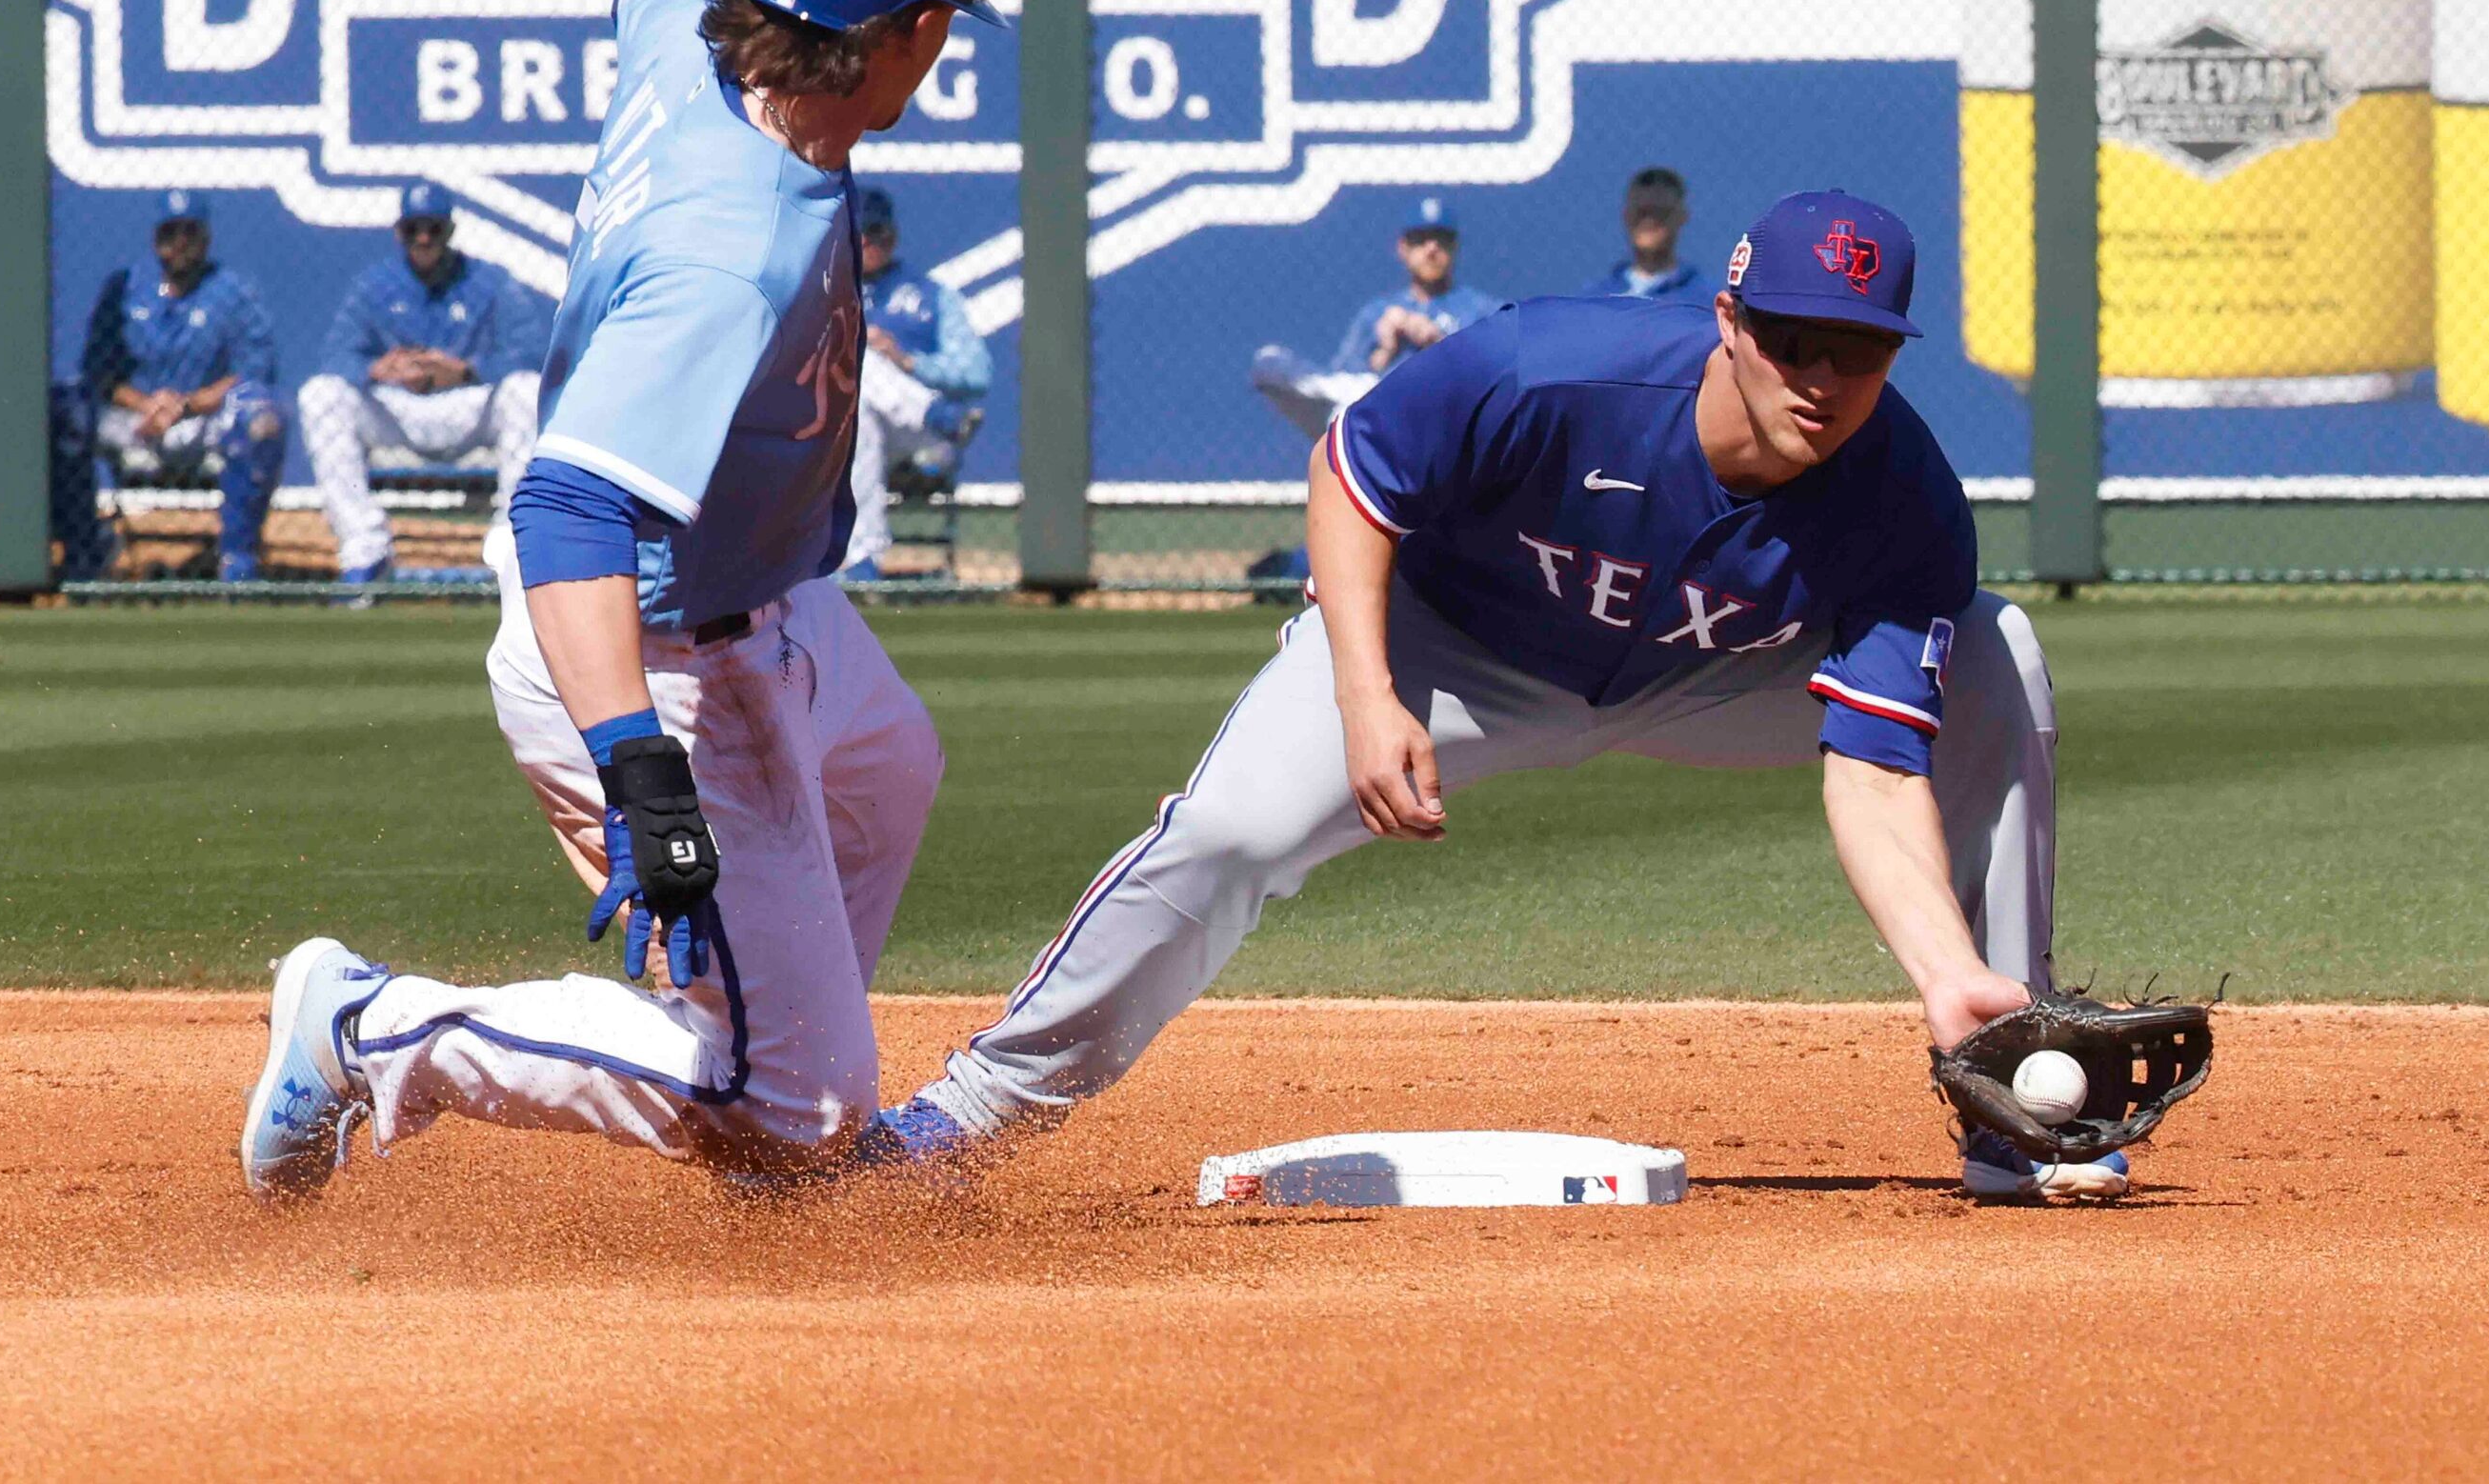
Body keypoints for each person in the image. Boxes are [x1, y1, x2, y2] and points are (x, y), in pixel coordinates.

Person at [892, 190, 2121, 1206]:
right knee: (1228, 833)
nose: (1823, 375)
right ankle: (979, 1105)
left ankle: (2002, 1069)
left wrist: (1938, 965)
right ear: (1729, 322)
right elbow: (1353, 476)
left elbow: (1872, 763)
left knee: (1994, 652)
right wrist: (1366, 694)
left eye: (1859, 348)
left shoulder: (1905, 500)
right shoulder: (1551, 367)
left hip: (1709, 680)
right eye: (1795, 337)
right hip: (1455, 648)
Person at [240, 0, 1005, 1198]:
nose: (946, 43)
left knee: (886, 774)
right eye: (941, 19)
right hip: (647, 643)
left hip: (764, 598)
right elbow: (567, 509)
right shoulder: (733, 255)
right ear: (906, 35)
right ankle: (372, 1024)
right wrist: (636, 766)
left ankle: (757, 1094)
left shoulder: (694, 32)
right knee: (811, 1098)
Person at [296, 182, 556, 591]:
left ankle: (508, 547)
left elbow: (531, 351)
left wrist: (467, 369)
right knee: (321, 395)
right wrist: (378, 368)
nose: (423, 238)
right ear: (399, 231)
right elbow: (336, 357)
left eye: (433, 228)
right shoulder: (375, 285)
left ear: (449, 231)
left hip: (467, 406)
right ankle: (365, 549)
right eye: (413, 228)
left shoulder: (487, 280)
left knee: (526, 390)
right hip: (401, 407)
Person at [76, 191, 287, 582]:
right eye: (169, 232)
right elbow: (97, 372)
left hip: (201, 421)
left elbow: (253, 371)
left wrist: (185, 405)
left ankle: (237, 559)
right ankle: (82, 549)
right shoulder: (126, 288)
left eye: (189, 232)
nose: (179, 242)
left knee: (261, 416)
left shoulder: (232, 291)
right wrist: (146, 406)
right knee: (63, 412)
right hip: (134, 420)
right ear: (156, 237)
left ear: (205, 239)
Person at [1251, 196, 1501, 439]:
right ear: (1403, 248)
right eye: (1420, 239)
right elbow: (1345, 378)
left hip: (1445, 420)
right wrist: (1383, 351)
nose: (1431, 248)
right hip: (1378, 421)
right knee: (1270, 362)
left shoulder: (1482, 310)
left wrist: (1439, 341)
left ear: (1454, 246)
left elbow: (1499, 379)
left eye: (1441, 239)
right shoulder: (1377, 313)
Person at [839, 185, 987, 582]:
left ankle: (863, 563)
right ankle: (864, 560)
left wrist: (906, 359)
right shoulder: (826, 289)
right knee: (860, 410)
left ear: (892, 236)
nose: (868, 243)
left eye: (875, 232)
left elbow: (977, 372)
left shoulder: (930, 296)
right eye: (859, 232)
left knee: (867, 364)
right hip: (849, 433)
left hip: (920, 439)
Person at [1573, 166, 1711, 305]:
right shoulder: (1595, 300)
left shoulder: (1706, 303)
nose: (1649, 222)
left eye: (1660, 213)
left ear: (1682, 217)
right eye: (1641, 212)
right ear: (1626, 216)